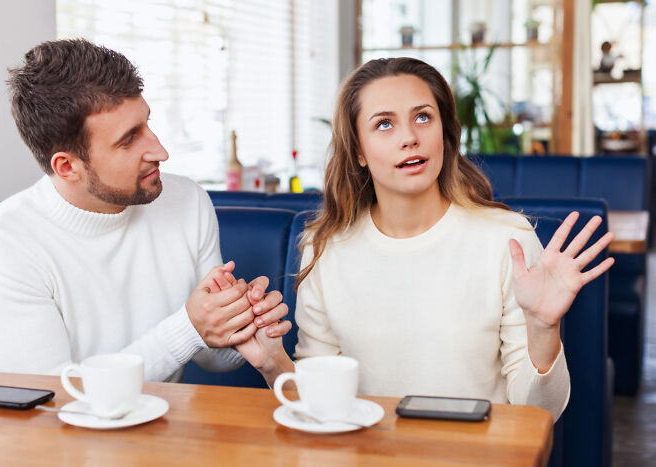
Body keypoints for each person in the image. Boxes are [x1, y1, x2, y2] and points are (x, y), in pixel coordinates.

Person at [241, 57, 614, 421]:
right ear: (358, 151)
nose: (409, 138)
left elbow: (540, 413)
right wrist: (274, 363)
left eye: (423, 117)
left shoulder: (508, 239)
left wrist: (543, 328)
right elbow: (324, 406)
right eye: (384, 124)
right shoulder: (324, 249)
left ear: (444, 134)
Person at [0, 39, 290, 382]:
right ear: (68, 167)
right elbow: (50, 400)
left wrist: (240, 325)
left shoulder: (186, 201)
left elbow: (213, 357)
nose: (160, 150)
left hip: (167, 429)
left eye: (147, 123)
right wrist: (188, 328)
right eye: (129, 139)